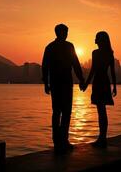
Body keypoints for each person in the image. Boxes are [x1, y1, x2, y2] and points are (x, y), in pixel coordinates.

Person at [42, 24, 85, 152]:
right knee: (61, 112)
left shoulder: (52, 47)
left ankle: (60, 141)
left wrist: (81, 79)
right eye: (65, 32)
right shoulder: (61, 47)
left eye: (67, 32)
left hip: (61, 84)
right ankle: (60, 141)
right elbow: (45, 67)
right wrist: (81, 79)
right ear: (59, 33)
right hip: (62, 84)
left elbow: (75, 64)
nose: (66, 34)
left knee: (61, 112)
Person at [82, 31, 117, 148]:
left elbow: (93, 70)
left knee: (100, 111)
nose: (94, 40)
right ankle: (103, 138)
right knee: (102, 112)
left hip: (98, 82)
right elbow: (112, 72)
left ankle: (102, 138)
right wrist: (115, 86)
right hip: (105, 82)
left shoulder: (95, 53)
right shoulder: (110, 53)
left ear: (100, 40)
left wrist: (86, 84)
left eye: (96, 38)